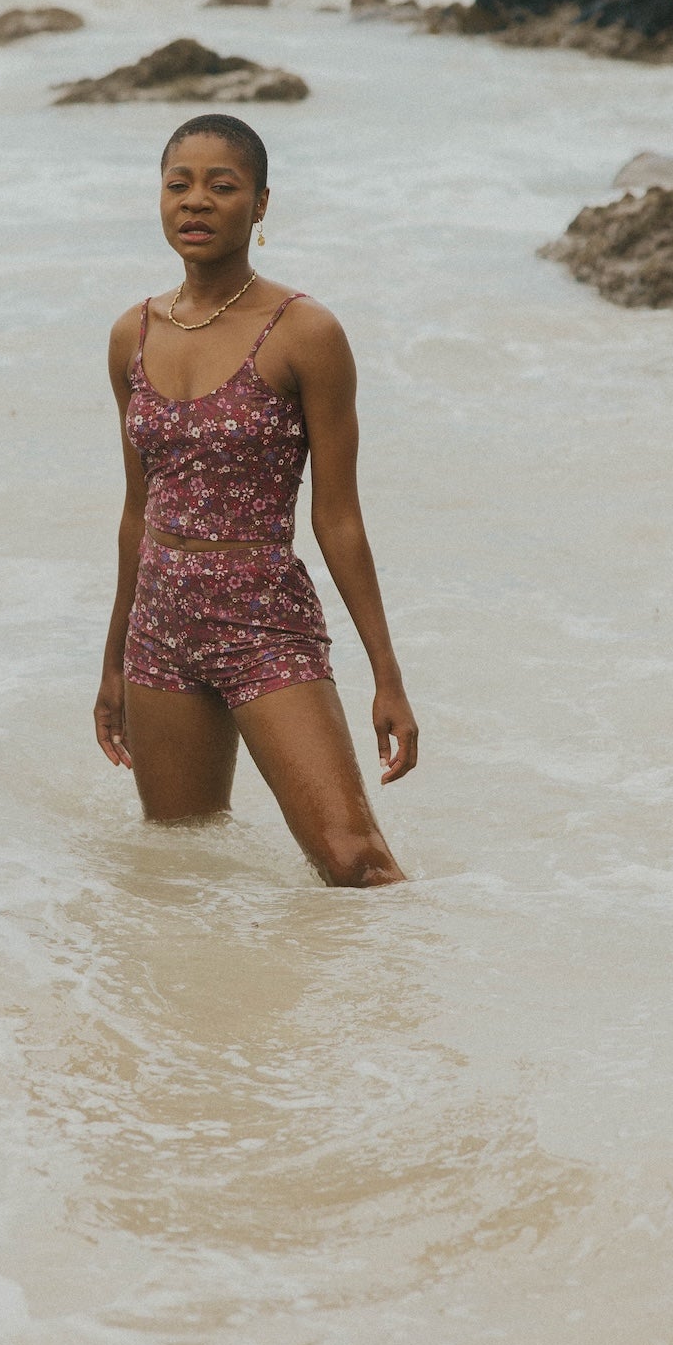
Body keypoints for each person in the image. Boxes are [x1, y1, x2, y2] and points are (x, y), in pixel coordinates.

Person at [95, 112, 415, 886]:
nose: (195, 201)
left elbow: (337, 516)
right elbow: (138, 512)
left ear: (261, 204)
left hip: (263, 620)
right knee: (181, 868)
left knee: (355, 860)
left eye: (222, 186)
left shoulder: (305, 333)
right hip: (160, 629)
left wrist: (386, 673)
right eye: (179, 185)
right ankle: (216, 1011)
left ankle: (405, 1000)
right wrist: (111, 663)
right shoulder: (130, 334)